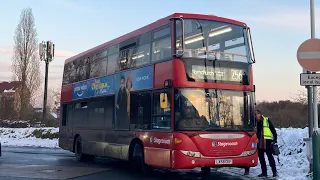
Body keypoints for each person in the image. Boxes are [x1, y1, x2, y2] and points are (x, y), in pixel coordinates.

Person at [255, 110, 278, 177]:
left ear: (259, 114)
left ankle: (274, 172)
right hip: (259, 142)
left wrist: (275, 140)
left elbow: (273, 130)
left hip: (267, 142)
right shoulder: (254, 122)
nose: (255, 116)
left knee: (270, 157)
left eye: (256, 114)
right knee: (261, 158)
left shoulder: (266, 120)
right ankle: (264, 173)